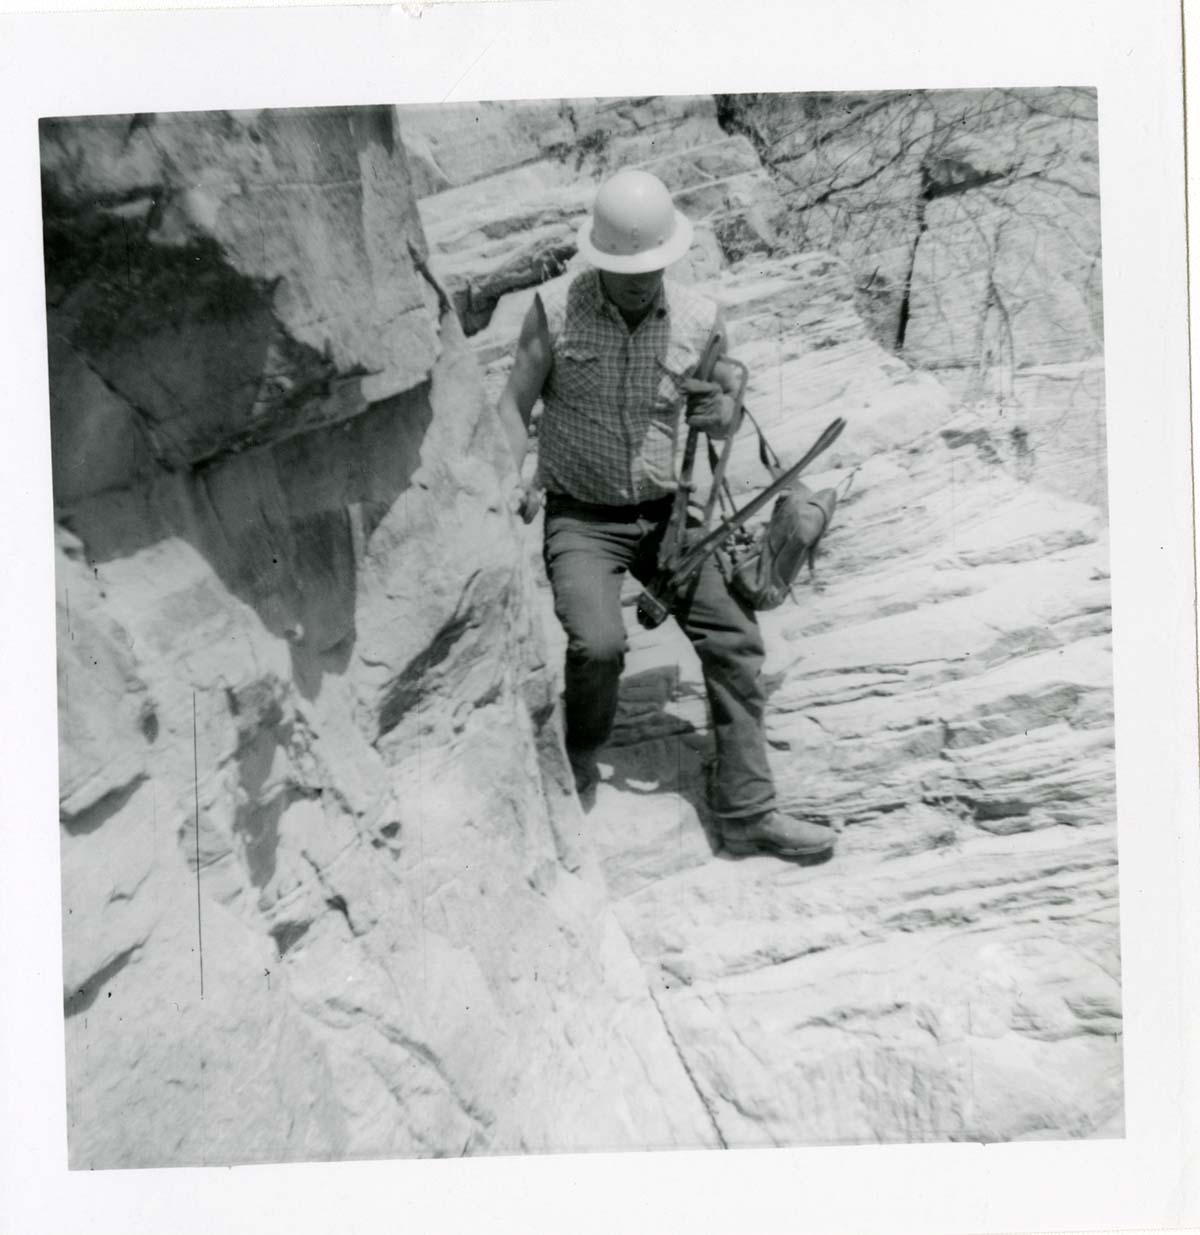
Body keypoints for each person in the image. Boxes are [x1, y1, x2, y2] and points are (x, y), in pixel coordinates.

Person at [495, 167, 835, 862]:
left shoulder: (700, 317)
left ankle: (746, 810)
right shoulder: (554, 311)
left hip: (669, 517)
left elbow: (723, 409)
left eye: (649, 266)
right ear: (597, 256)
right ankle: (580, 753)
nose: (637, 279)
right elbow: (512, 405)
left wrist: (721, 413)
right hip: (582, 517)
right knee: (598, 646)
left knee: (734, 638)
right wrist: (510, 480)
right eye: (623, 267)